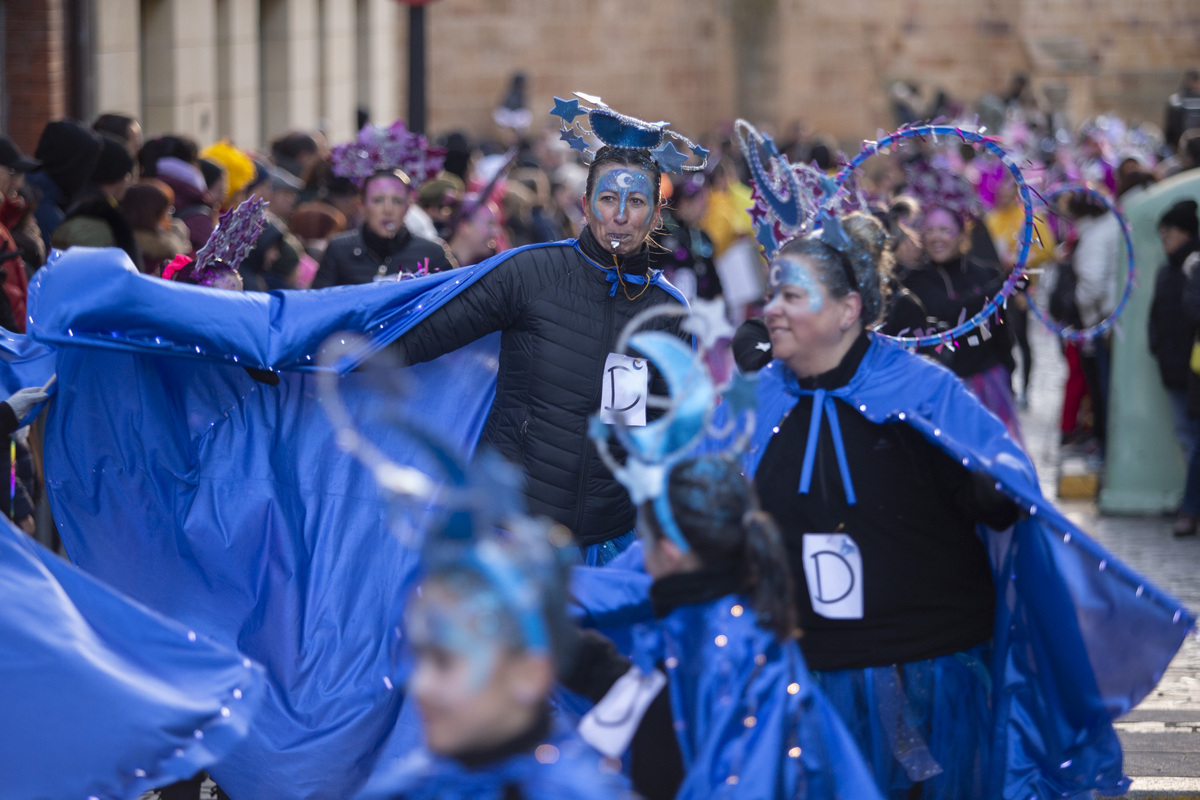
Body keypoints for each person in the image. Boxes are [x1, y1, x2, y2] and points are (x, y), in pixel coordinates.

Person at [723, 120, 1191, 799]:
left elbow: (998, 495)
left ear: (850, 307)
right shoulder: (755, 397)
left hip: (926, 669)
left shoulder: (920, 389)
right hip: (809, 667)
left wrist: (991, 482)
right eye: (772, 294)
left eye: (791, 295)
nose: (771, 311)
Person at [389, 95, 703, 564]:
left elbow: (665, 441)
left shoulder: (669, 314)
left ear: (656, 215)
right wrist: (323, 358)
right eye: (608, 198)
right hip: (514, 538)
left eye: (636, 202)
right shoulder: (530, 273)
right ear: (585, 204)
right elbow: (421, 335)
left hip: (608, 546)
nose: (620, 215)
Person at [897, 204, 1021, 443]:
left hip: (988, 386)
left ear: (963, 235)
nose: (936, 237)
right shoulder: (915, 280)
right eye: (930, 230)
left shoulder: (985, 275)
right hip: (940, 391)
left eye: (945, 230)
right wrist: (1003, 288)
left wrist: (1008, 374)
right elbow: (951, 315)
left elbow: (1002, 332)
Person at [1150, 199, 1200, 535]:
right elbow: (1158, 315)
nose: (1164, 235)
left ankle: (1190, 507)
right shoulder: (1169, 268)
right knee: (1187, 438)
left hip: (1192, 366)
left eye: (1170, 229)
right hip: (1175, 367)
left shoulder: (1190, 267)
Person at [313, 168, 453, 286]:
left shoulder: (432, 253)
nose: (388, 210)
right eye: (378, 200)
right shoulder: (339, 248)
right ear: (361, 205)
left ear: (408, 206)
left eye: (397, 201)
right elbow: (320, 305)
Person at [50, 133, 140, 269]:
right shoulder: (97, 219)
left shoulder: (78, 204)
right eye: (128, 175)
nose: (129, 183)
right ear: (115, 177)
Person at [28, 119, 103, 248]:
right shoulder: (46, 211)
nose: (87, 175)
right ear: (71, 164)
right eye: (85, 166)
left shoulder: (34, 185)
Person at [120, 180, 190, 276]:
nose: (169, 219)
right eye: (166, 212)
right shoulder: (161, 257)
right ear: (151, 216)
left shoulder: (116, 245)